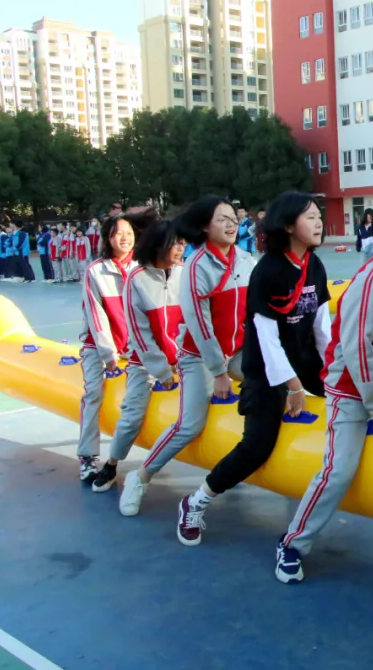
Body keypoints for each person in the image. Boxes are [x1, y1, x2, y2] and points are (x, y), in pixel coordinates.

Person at [275, 200, 373, 583]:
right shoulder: (370, 283)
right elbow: (359, 353)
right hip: (353, 394)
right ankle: (293, 543)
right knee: (339, 471)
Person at [176, 192, 330, 546]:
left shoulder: (315, 266)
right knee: (258, 444)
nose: (319, 221)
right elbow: (267, 338)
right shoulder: (269, 271)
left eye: (319, 214)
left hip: (305, 361)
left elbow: (322, 328)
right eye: (310, 217)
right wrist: (293, 387)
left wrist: (333, 374)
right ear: (289, 225)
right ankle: (195, 502)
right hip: (266, 368)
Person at [120, 197, 256, 520]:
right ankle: (140, 477)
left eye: (232, 218)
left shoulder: (247, 260)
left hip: (237, 350)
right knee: (190, 424)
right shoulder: (197, 267)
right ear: (205, 227)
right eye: (221, 219)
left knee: (268, 381)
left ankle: (240, 462)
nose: (230, 224)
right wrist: (219, 372)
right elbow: (200, 325)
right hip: (199, 358)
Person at [92, 220, 186, 495]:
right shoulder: (137, 279)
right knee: (132, 412)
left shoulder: (186, 273)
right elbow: (140, 333)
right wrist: (163, 371)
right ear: (158, 246)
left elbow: (192, 322)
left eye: (182, 243)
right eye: (175, 243)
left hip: (184, 356)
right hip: (144, 361)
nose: (181, 249)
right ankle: (111, 464)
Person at [76, 211, 155, 482]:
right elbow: (96, 315)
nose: (125, 237)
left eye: (129, 233)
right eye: (118, 233)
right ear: (108, 238)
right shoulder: (95, 271)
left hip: (134, 345)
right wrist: (109, 353)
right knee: (93, 393)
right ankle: (87, 456)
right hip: (97, 346)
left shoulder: (143, 268)